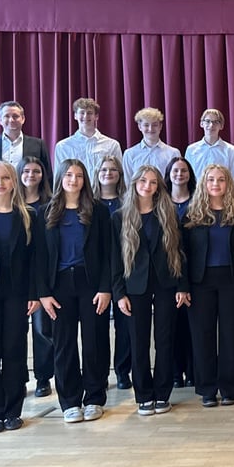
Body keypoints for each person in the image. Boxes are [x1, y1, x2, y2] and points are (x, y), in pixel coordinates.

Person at [34, 159, 112, 423]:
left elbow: (107, 253)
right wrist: (43, 292)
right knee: (64, 345)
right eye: (68, 174)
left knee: (94, 342)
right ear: (60, 178)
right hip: (59, 287)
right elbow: (39, 256)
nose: (73, 180)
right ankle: (69, 401)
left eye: (79, 175)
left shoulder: (98, 211)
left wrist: (105, 288)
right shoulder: (45, 212)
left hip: (90, 284)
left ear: (85, 180)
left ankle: (94, 398)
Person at [111, 165, 189, 415]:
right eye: (143, 181)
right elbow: (114, 260)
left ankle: (163, 393)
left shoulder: (167, 214)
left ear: (158, 187)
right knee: (139, 341)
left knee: (165, 340)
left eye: (153, 182)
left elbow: (180, 252)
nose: (147, 186)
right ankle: (144, 394)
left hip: (166, 284)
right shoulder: (120, 217)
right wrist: (119, 293)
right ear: (134, 183)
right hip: (134, 287)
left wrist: (182, 285)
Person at [182, 164, 234, 408]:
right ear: (204, 183)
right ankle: (208, 389)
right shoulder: (192, 214)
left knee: (231, 335)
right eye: (211, 179)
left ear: (228, 184)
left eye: (221, 179)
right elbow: (182, 254)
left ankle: (230, 387)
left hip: (232, 280)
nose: (216, 184)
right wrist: (184, 286)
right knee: (203, 336)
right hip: (200, 282)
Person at [0, 161, 38, 434]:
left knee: (14, 352)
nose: (0, 183)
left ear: (14, 182)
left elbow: (35, 260)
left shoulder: (27, 216)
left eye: (5, 178)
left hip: (17, 293)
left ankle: (13, 411)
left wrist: (35, 294)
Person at [15, 156, 54, 398]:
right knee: (16, 333)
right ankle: (18, 377)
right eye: (27, 171)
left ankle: (43, 377)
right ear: (19, 174)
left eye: (36, 171)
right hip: (16, 278)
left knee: (42, 330)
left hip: (41, 276)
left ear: (43, 175)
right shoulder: (11, 203)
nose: (31, 175)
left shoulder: (49, 204)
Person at [93, 155, 131, 388]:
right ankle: (99, 374)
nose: (109, 173)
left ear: (120, 175)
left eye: (113, 170)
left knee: (124, 326)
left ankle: (122, 371)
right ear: (97, 174)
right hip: (96, 273)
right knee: (97, 329)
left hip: (123, 271)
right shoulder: (89, 202)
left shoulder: (127, 203)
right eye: (104, 169)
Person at [163, 157, 196, 389]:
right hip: (167, 272)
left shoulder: (197, 201)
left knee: (193, 326)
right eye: (175, 170)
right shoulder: (161, 202)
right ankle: (175, 373)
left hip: (194, 272)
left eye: (184, 170)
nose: (179, 174)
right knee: (171, 327)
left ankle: (194, 371)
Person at [53, 98, 123, 181]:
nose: (86, 116)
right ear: (75, 115)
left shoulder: (112, 145)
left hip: (102, 193)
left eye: (90, 113)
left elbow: (119, 175)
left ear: (96, 116)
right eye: (82, 113)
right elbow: (58, 177)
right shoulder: (62, 146)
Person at [0, 101, 51, 176]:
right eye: (7, 116)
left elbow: (47, 174)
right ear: (0, 120)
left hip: (28, 188)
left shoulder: (39, 145)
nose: (11, 120)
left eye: (15, 116)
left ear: (23, 119)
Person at [121, 107, 181, 180]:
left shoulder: (173, 153)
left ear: (160, 126)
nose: (150, 129)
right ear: (140, 127)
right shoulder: (129, 154)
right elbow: (128, 183)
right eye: (146, 125)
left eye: (155, 125)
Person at [185, 109, 234, 177]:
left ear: (221, 126)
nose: (211, 125)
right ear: (201, 124)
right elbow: (187, 174)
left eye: (216, 122)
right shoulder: (191, 149)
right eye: (207, 121)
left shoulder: (230, 150)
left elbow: (233, 175)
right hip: (197, 187)